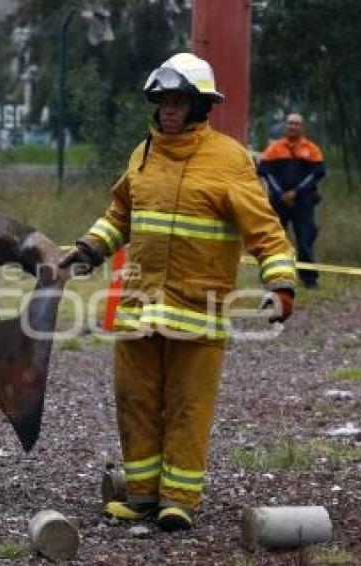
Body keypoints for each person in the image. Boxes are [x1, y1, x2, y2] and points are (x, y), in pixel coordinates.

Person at [59, 53, 297, 532]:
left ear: (200, 105)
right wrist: (89, 249)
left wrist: (281, 281)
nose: (167, 109)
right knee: (136, 402)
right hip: (138, 310)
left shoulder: (228, 159)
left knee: (188, 408)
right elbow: (119, 215)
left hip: (198, 311)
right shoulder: (143, 153)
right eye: (162, 100)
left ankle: (179, 501)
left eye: (177, 101)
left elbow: (264, 229)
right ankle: (143, 497)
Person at [258, 113, 326, 289]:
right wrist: (281, 193)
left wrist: (295, 192)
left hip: (304, 203)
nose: (292, 126)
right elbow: (265, 172)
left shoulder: (312, 149)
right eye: (289, 123)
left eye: (296, 124)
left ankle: (310, 280)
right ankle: (275, 277)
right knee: (275, 240)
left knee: (305, 241)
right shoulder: (274, 149)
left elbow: (316, 175)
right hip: (279, 202)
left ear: (302, 127)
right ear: (285, 126)